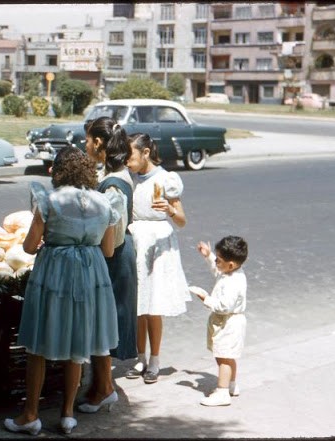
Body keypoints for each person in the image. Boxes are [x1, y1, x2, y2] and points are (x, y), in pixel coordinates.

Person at [4, 146, 121, 436]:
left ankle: (30, 413)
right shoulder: (104, 203)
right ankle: (67, 414)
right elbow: (107, 250)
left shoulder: (49, 200)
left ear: (57, 171)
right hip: (91, 272)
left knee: (38, 344)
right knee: (78, 345)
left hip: (55, 272)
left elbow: (29, 247)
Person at [79, 117, 137, 413]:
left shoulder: (114, 185)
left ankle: (104, 389)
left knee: (102, 325)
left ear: (99, 143)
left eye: (88, 140)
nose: (85, 144)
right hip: (111, 255)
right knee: (99, 324)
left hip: (112, 258)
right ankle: (102, 386)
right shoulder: (111, 174)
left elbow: (111, 236)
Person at [125, 133, 190, 384]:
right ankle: (139, 357)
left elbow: (183, 221)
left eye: (131, 156)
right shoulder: (129, 178)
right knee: (138, 304)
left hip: (158, 243)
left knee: (154, 305)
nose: (128, 162)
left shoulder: (166, 180)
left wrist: (171, 210)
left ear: (145, 153)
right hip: (137, 240)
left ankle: (155, 359)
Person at [191, 236, 248, 406]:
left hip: (228, 323)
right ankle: (231, 384)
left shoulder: (232, 282)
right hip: (228, 322)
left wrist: (205, 298)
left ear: (230, 265)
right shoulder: (232, 272)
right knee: (228, 356)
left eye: (219, 259)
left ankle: (222, 392)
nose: (216, 262)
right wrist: (208, 256)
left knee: (223, 357)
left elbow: (224, 306)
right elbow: (217, 271)